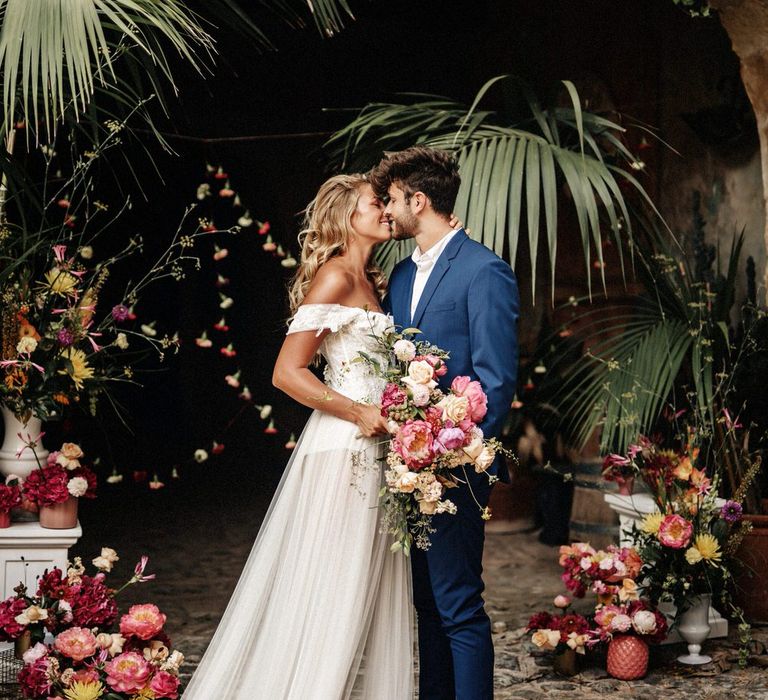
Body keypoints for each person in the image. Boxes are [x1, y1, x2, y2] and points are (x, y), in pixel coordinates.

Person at [182, 174, 415, 699]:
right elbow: (287, 372)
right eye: (376, 204)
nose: (385, 212)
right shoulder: (334, 277)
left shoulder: (374, 281)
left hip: (375, 446)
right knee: (334, 586)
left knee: (362, 587)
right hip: (342, 449)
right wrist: (357, 412)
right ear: (345, 216)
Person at [372, 146, 519, 700]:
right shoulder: (402, 274)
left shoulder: (484, 270)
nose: (387, 211)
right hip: (408, 469)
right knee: (427, 605)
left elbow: (497, 380)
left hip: (455, 469)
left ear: (420, 200)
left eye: (392, 200)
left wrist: (458, 461)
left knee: (459, 605)